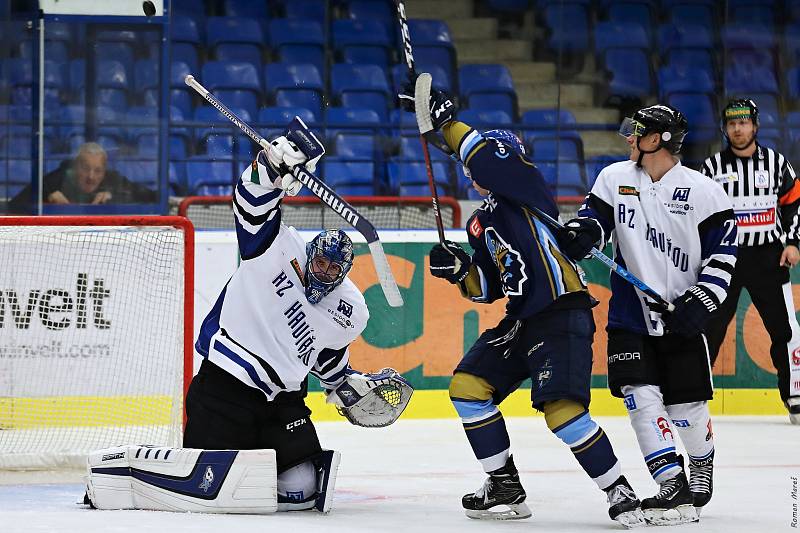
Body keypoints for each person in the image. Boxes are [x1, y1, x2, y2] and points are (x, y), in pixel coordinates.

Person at [400, 79, 645, 528]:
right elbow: (485, 289)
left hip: (560, 309)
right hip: (522, 319)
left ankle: (619, 489)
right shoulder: (482, 221)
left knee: (563, 413)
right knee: (468, 389)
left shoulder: (525, 187)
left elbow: (480, 154)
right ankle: (504, 483)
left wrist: (446, 125)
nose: (477, 172)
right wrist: (458, 271)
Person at [183, 132, 408, 512]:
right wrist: (270, 169)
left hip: (284, 402)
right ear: (309, 256)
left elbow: (326, 355)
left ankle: (255, 463)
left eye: (333, 268)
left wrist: (344, 384)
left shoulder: (350, 308)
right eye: (319, 262)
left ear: (344, 273)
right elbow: (249, 205)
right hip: (225, 387)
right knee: (213, 488)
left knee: (302, 489)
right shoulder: (272, 248)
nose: (323, 272)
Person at [558, 104, 738, 524]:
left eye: (636, 131)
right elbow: (594, 222)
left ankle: (701, 463)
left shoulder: (704, 191)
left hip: (682, 315)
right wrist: (583, 234)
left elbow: (724, 255)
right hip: (629, 316)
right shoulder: (614, 178)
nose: (628, 137)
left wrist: (702, 301)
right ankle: (670, 482)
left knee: (686, 407)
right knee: (640, 399)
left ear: (657, 139)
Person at [701, 99, 800, 426]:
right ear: (725, 128)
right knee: (708, 328)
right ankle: (694, 396)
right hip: (724, 259)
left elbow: (794, 203)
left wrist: (794, 242)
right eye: (732, 124)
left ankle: (794, 394)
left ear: (755, 126)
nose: (738, 129)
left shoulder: (776, 163)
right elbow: (699, 213)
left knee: (784, 330)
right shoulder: (713, 167)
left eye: (743, 123)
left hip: (768, 257)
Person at [8, 142, 156, 213]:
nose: (91, 177)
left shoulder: (113, 180)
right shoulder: (56, 180)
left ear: (105, 170)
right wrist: (46, 199)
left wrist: (114, 197)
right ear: (75, 165)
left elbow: (152, 197)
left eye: (98, 170)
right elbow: (14, 206)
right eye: (85, 168)